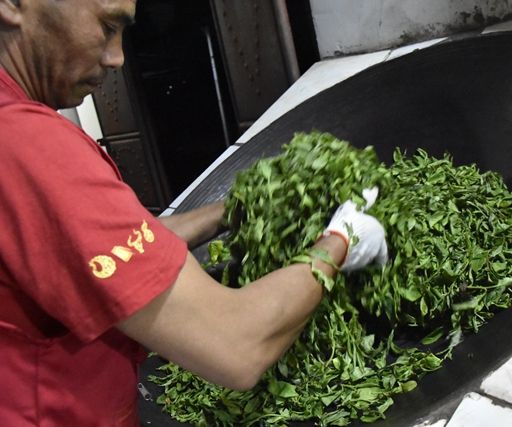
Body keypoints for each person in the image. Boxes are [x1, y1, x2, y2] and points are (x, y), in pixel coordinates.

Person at [0, 0, 389, 425]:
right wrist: (340, 241)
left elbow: (102, 251)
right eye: (107, 25)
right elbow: (237, 345)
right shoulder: (30, 146)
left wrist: (236, 210)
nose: (117, 57)